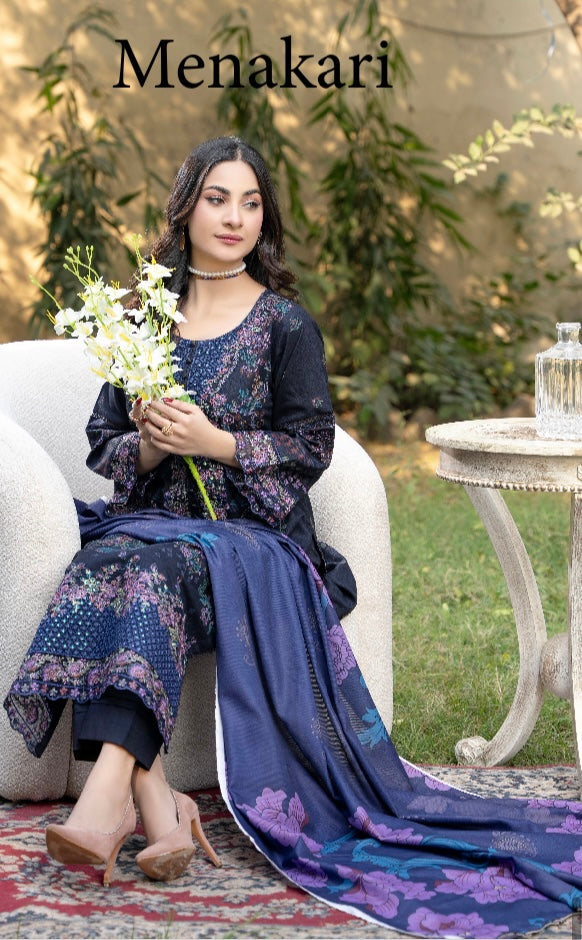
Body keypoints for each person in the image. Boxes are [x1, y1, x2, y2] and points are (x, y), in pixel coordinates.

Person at [5, 136, 582, 938]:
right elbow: (105, 442)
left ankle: (112, 797)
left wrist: (215, 443)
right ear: (186, 209)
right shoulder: (145, 323)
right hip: (157, 528)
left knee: (148, 566)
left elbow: (312, 447)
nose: (234, 217)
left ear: (264, 217)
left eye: (250, 203)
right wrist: (153, 447)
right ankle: (154, 800)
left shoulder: (285, 326)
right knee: (115, 557)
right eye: (217, 199)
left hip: (258, 541)